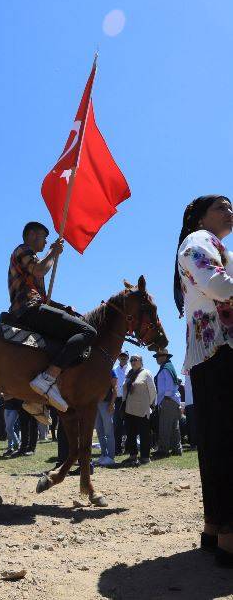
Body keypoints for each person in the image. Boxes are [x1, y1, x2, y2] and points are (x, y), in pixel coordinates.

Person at [175, 194, 233, 565]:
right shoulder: (198, 242)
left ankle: (216, 530)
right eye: (222, 207)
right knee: (225, 440)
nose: (230, 212)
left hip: (210, 353)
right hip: (221, 352)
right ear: (198, 217)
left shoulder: (209, 245)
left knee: (217, 440)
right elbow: (221, 288)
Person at [7, 221, 97, 412]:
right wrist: (54, 253)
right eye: (43, 236)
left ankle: (35, 396)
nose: (46, 241)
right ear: (32, 235)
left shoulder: (33, 259)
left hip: (31, 307)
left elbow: (44, 299)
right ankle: (48, 377)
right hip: (27, 309)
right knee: (87, 331)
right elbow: (39, 270)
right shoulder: (23, 250)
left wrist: (64, 308)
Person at [122, 355, 156, 465]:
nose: (132, 362)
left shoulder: (146, 373)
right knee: (130, 433)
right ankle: (133, 456)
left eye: (135, 360)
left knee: (144, 433)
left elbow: (153, 391)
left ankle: (145, 457)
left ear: (141, 361)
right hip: (129, 408)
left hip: (142, 409)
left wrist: (148, 404)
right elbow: (124, 389)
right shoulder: (129, 374)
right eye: (131, 360)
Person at [153, 348, 182, 458]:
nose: (157, 359)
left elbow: (169, 386)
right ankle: (176, 449)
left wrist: (165, 398)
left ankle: (163, 450)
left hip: (168, 400)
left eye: (158, 357)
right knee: (174, 427)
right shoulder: (169, 367)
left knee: (164, 426)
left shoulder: (165, 368)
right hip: (173, 400)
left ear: (164, 357)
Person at [95, 368, 117, 466]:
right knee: (99, 431)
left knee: (108, 431)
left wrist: (112, 403)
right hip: (96, 404)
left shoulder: (110, 370)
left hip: (106, 404)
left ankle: (111, 457)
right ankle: (104, 455)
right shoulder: (93, 370)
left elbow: (115, 387)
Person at [114, 350, 129, 455]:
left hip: (129, 400)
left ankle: (128, 448)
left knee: (129, 424)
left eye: (125, 356)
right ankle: (117, 449)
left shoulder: (131, 369)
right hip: (117, 400)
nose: (123, 358)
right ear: (118, 357)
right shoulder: (114, 369)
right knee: (117, 425)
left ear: (128, 357)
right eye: (121, 356)